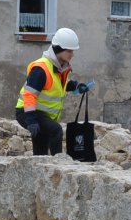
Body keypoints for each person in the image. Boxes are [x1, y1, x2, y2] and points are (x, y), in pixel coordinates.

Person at [16, 27, 89, 157]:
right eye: (69, 51)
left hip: (41, 114)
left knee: (41, 152)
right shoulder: (41, 68)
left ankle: (40, 170)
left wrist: (77, 86)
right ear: (59, 49)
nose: (72, 54)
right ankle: (60, 165)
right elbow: (28, 95)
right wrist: (32, 121)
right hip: (27, 112)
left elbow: (60, 85)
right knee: (56, 130)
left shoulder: (60, 67)